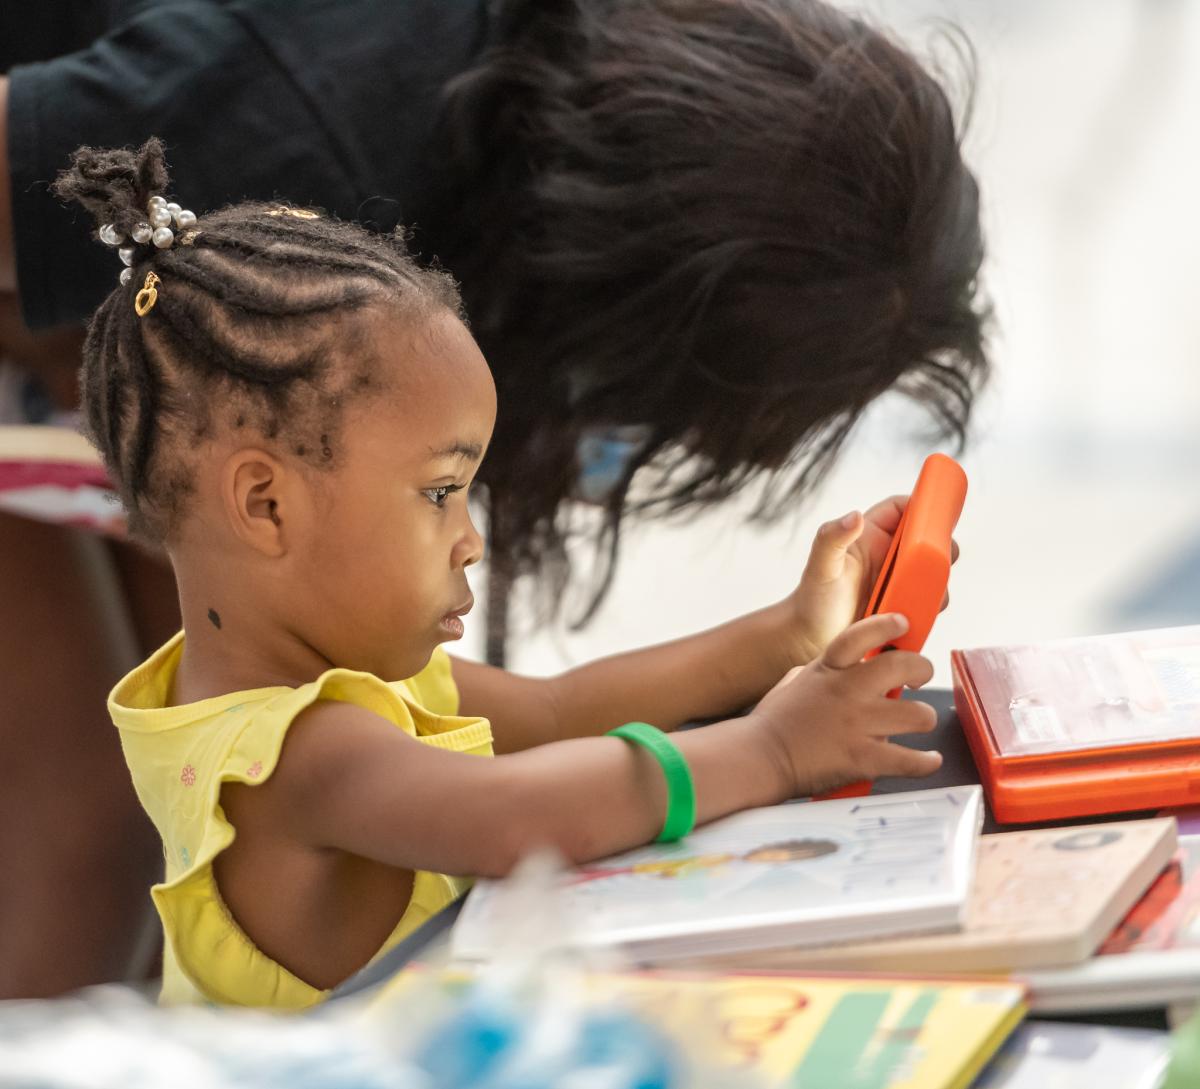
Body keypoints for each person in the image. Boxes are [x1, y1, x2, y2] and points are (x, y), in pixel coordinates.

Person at [0, 0, 987, 996]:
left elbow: (562, 711)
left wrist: (780, 636)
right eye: (438, 493)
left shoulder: (346, 685)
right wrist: (772, 748)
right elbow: (518, 814)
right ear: (263, 506)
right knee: (71, 867)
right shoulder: (292, 751)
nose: (472, 540)